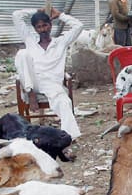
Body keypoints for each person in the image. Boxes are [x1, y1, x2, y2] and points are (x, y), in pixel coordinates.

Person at [12, 7, 83, 140]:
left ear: (50, 25)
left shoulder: (60, 42)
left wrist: (60, 15)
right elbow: (16, 15)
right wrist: (37, 10)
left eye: (45, 25)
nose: (42, 30)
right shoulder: (30, 40)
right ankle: (31, 93)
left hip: (52, 84)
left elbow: (79, 26)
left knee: (64, 103)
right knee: (22, 53)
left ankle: (67, 139)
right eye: (38, 27)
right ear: (35, 29)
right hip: (32, 82)